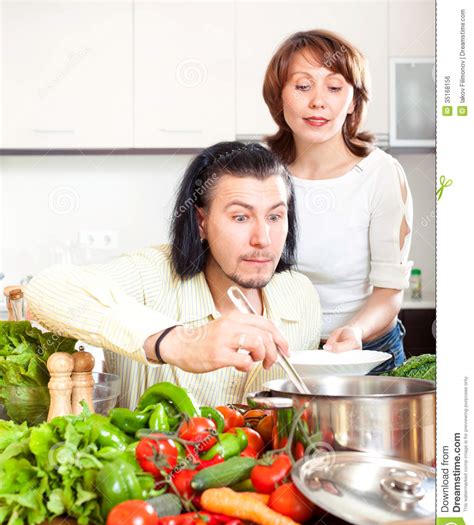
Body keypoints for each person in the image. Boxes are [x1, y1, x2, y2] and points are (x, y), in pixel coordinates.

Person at [26, 142, 321, 408]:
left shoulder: (300, 294)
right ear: (201, 222)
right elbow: (46, 290)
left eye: (275, 216)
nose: (263, 239)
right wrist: (178, 341)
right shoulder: (150, 275)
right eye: (240, 217)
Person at [262, 29, 413, 372]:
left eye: (334, 88)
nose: (318, 101)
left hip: (367, 353)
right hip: (284, 353)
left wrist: (355, 331)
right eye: (302, 86)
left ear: (353, 101)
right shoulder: (261, 173)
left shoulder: (381, 174)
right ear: (278, 97)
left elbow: (389, 292)